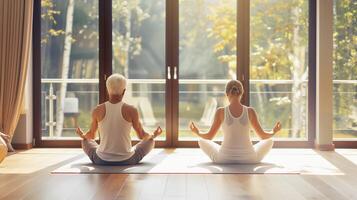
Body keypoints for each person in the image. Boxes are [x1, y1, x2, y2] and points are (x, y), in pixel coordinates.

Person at [76, 73, 162, 165]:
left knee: (85, 141)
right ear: (124, 91)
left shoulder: (97, 109)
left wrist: (83, 135)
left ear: (107, 90)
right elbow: (141, 135)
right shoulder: (131, 110)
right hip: (127, 160)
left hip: (101, 160)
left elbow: (92, 136)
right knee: (150, 141)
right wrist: (153, 134)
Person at [189, 80, 282, 164]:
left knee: (201, 141)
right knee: (270, 141)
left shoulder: (220, 111)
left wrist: (197, 132)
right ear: (242, 93)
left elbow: (209, 136)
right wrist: (274, 131)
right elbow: (263, 136)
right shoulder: (250, 111)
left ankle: (224, 153)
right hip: (249, 158)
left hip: (224, 158)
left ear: (226, 94)